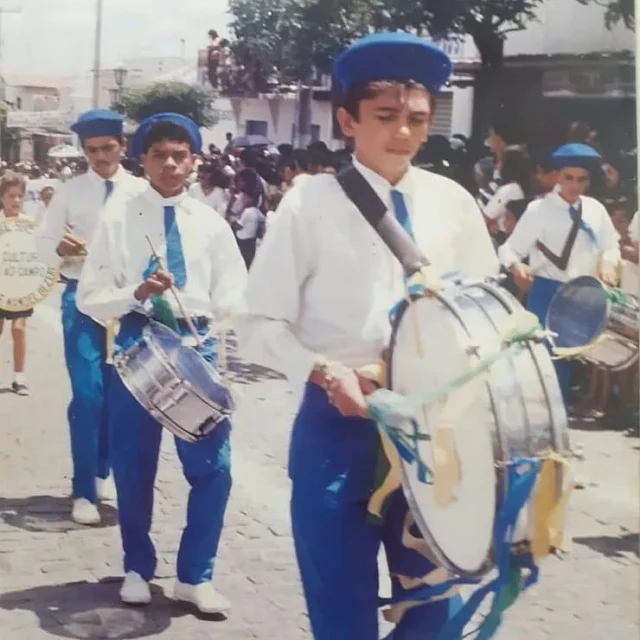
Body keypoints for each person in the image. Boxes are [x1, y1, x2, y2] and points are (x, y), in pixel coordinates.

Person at [239, 32, 498, 640]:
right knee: (341, 613)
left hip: (433, 428)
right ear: (348, 120)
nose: (402, 133)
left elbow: (485, 312)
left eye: (416, 119)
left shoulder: (453, 203)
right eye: (385, 117)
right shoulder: (309, 203)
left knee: (433, 610)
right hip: (338, 424)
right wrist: (326, 373)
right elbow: (256, 325)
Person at [76, 113, 247, 612]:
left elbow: (234, 295)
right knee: (133, 466)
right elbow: (90, 296)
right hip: (137, 342)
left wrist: (209, 333)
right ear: (143, 161)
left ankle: (196, 576)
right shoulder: (118, 218)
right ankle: (136, 567)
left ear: (194, 161)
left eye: (179, 154)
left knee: (214, 467)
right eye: (159, 155)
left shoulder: (213, 224)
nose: (170, 164)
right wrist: (137, 291)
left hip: (196, 345)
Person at [37, 109, 147, 526]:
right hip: (81, 300)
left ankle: (103, 472)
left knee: (118, 396)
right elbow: (42, 247)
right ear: (84, 151)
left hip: (128, 304)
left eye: (108, 148)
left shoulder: (141, 190)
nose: (100, 157)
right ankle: (83, 490)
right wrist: (58, 249)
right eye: (92, 150)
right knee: (87, 395)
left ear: (122, 146)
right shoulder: (69, 192)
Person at [498, 143, 620, 402]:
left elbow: (611, 245)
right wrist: (516, 265)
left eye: (582, 179)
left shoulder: (595, 210)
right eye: (569, 178)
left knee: (569, 361)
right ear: (556, 175)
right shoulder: (538, 210)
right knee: (548, 360)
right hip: (547, 291)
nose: (575, 185)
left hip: (582, 294)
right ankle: (546, 421)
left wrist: (609, 262)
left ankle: (554, 422)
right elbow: (508, 249)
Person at [0, 172, 34, 395]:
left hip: (20, 284)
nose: (16, 201)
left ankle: (19, 377)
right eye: (11, 196)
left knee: (19, 329)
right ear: (2, 197)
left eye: (20, 196)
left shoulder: (29, 224)